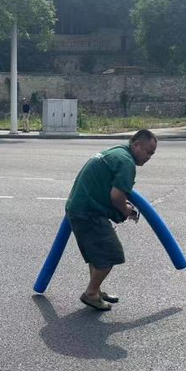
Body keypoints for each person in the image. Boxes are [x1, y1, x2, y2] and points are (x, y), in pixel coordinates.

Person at [65, 130, 158, 310]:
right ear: (136, 144)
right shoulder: (126, 162)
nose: (149, 157)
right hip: (89, 212)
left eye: (152, 154)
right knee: (110, 254)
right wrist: (126, 210)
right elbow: (116, 197)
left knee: (97, 254)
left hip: (80, 208)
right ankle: (91, 293)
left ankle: (96, 290)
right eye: (147, 151)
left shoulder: (118, 151)